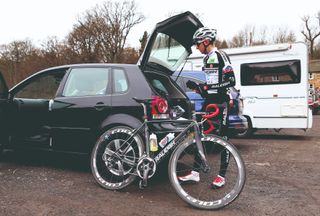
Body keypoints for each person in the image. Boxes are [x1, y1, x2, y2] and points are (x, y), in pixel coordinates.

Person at [178, 27, 236, 188]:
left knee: (223, 139)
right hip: (209, 102)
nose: (197, 47)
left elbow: (231, 81)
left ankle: (221, 176)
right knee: (199, 135)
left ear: (205, 41)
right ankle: (195, 173)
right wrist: (197, 87)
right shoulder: (206, 59)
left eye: (198, 44)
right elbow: (210, 87)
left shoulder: (220, 56)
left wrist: (207, 88)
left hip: (221, 102)